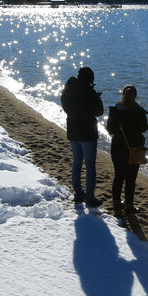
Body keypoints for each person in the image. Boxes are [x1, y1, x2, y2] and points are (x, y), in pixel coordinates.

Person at [60, 67, 104, 206]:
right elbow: (99, 111)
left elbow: (67, 107)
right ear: (90, 79)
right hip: (88, 132)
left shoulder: (69, 89)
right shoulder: (88, 92)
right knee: (90, 166)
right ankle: (90, 198)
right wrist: (96, 98)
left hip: (73, 130)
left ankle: (79, 193)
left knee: (77, 163)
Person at [106, 84, 148, 220]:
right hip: (134, 148)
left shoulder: (115, 110)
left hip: (118, 146)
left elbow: (110, 130)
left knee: (119, 176)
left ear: (122, 95)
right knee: (131, 179)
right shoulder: (139, 111)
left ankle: (116, 203)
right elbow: (144, 128)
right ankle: (129, 206)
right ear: (135, 96)